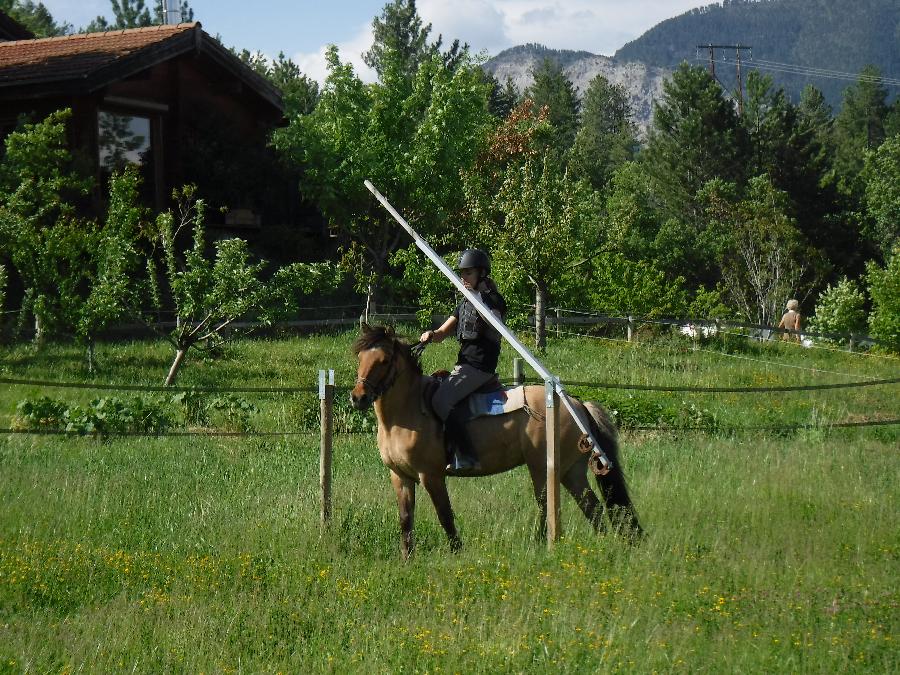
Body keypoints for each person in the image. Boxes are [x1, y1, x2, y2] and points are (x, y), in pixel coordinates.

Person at [419, 249, 506, 474]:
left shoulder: (494, 300)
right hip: (464, 365)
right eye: (462, 273)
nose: (463, 277)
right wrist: (431, 334)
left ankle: (467, 456)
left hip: (480, 367)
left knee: (440, 401)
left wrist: (476, 297)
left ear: (482, 274)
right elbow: (442, 332)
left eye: (468, 272)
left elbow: (494, 322)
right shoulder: (464, 303)